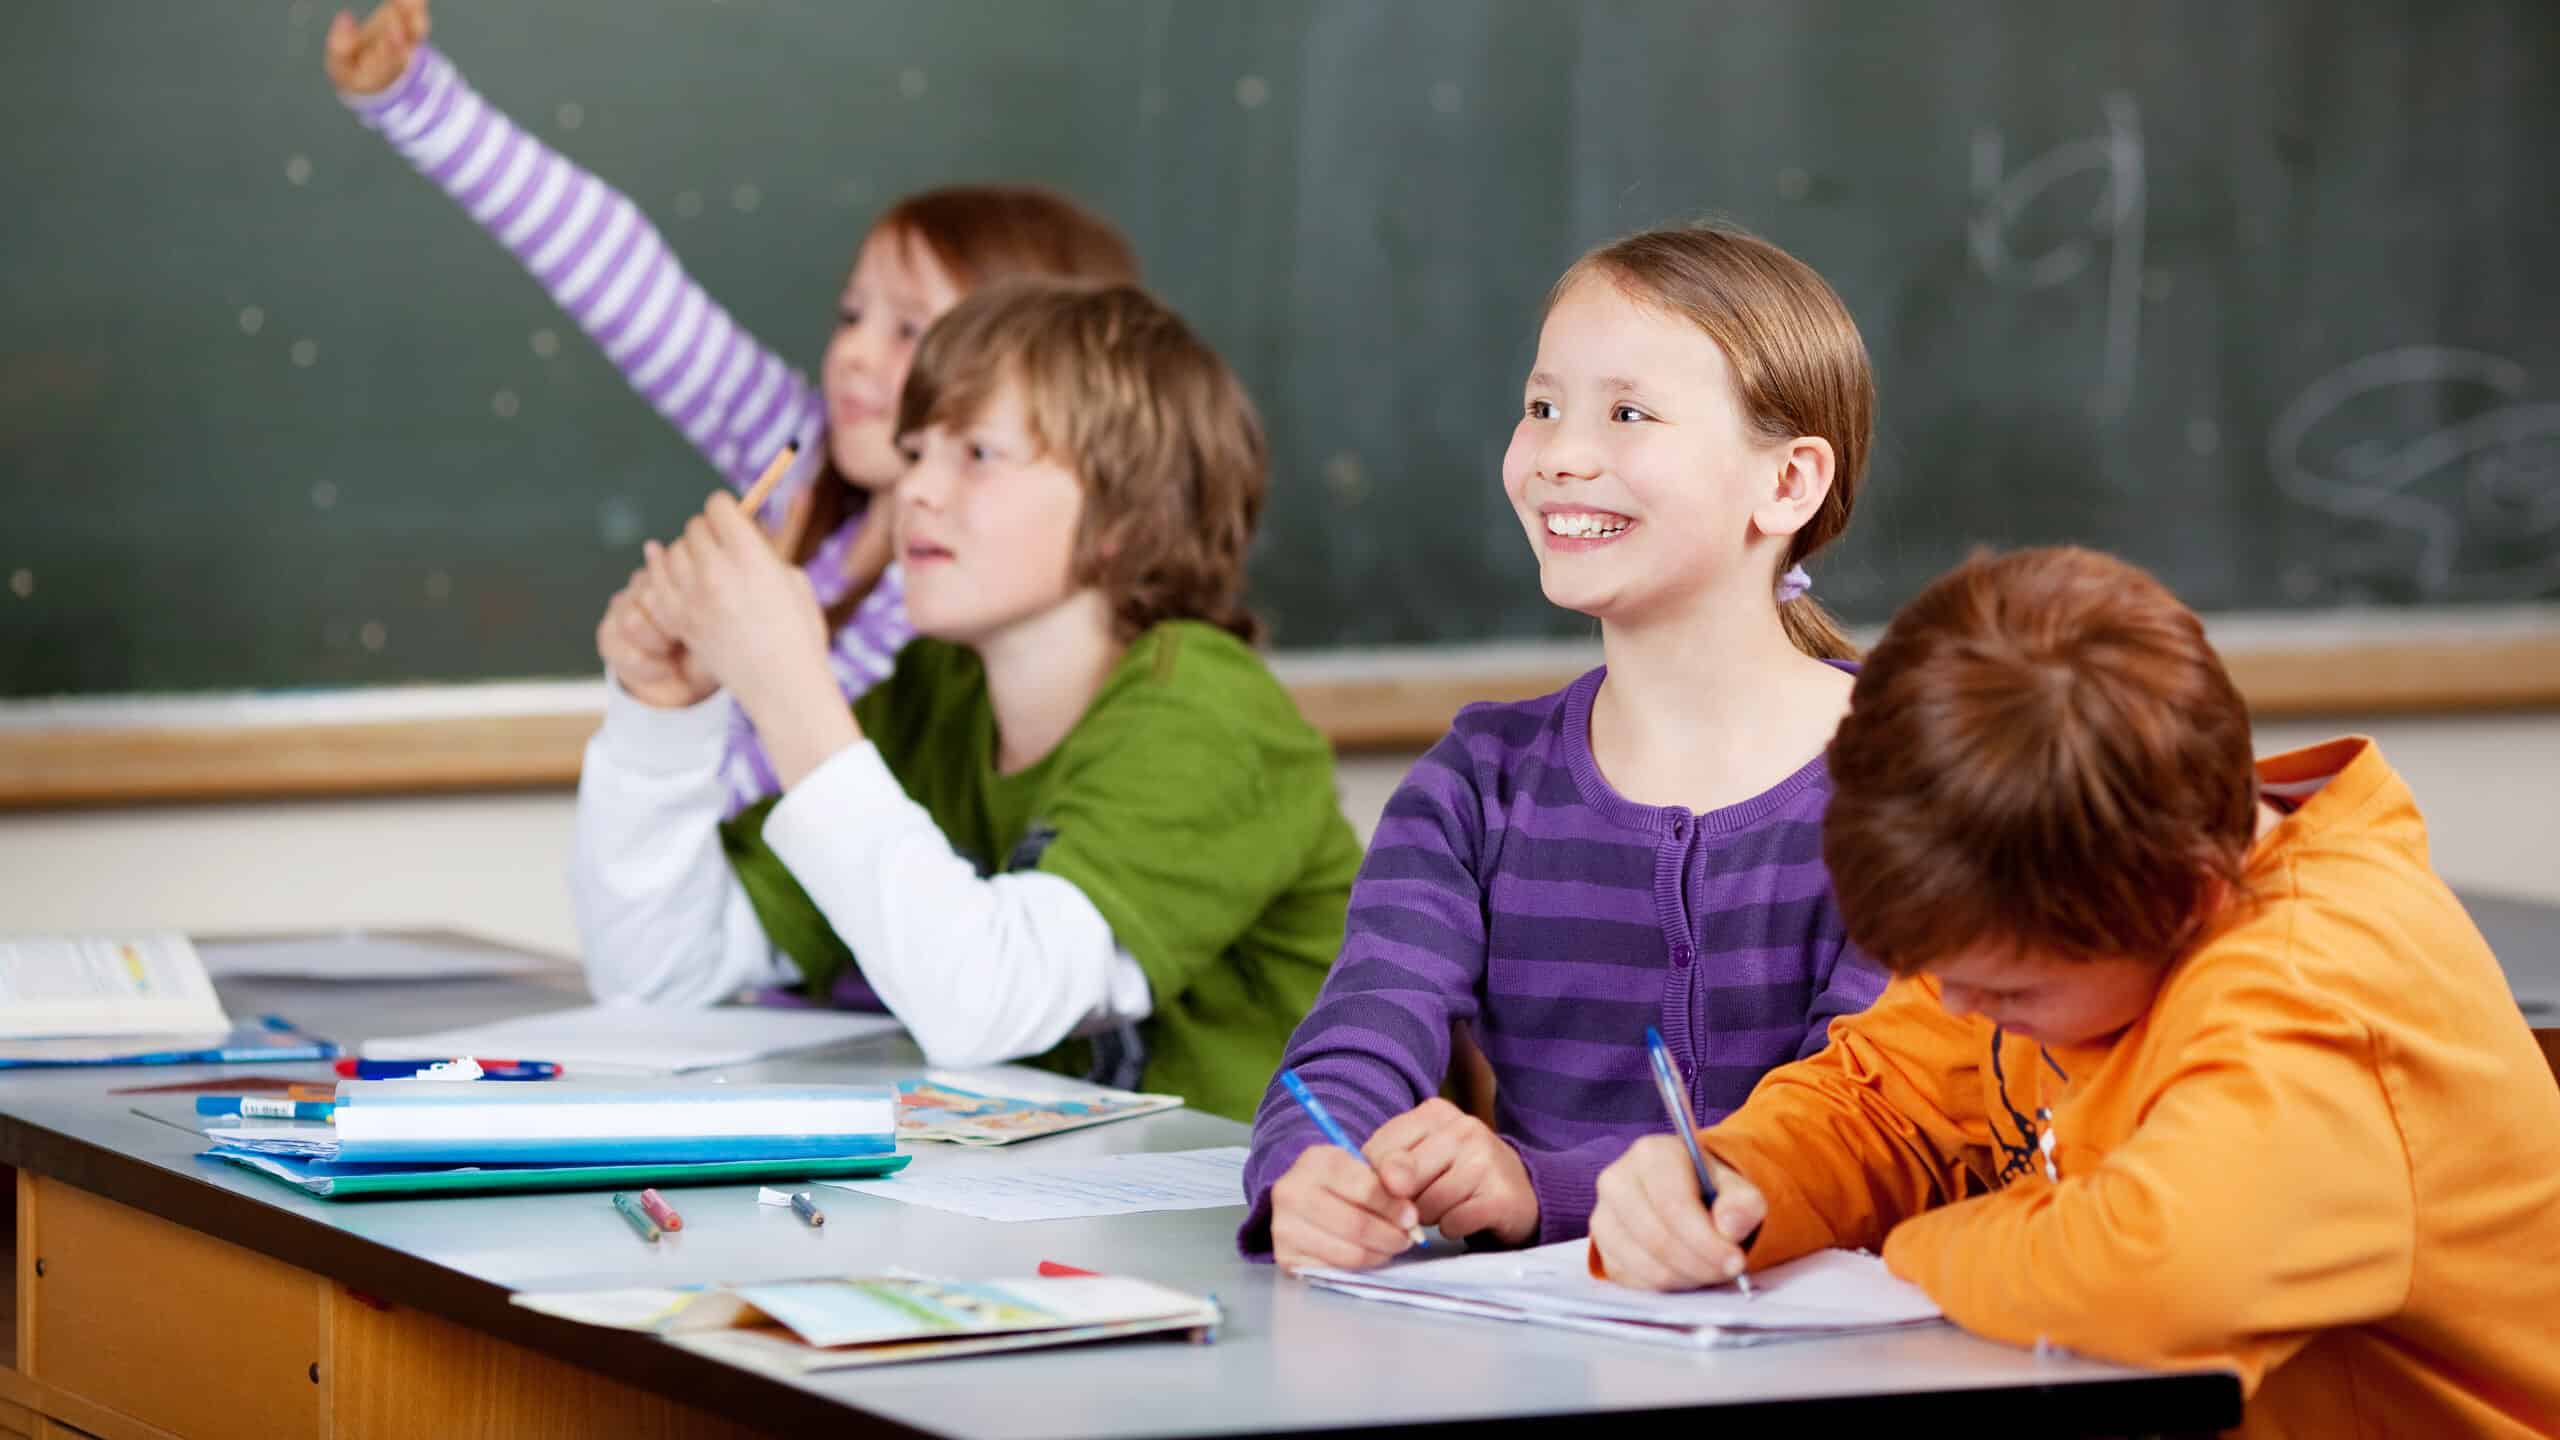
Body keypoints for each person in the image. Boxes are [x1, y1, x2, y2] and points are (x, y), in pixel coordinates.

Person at [1589, 545, 2560, 1439]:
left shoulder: (2312, 986)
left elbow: (2164, 1271)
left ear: (2188, 898)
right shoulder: (2054, 891)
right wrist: (1733, 1179)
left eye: (2006, 991)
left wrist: (1923, 1248)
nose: (1961, 1010)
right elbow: (1882, 1097)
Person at [1244, 223, 1888, 1267]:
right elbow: (1363, 1030)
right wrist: (1309, 1170)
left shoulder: (1913, 785)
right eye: (1541, 407)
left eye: (1626, 413)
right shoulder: (1477, 783)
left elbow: (1859, 1128)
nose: (1560, 455)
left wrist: (1535, 1186)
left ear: (1788, 484)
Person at [576, 280, 1362, 1122]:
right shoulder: (936, 691)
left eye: (978, 455)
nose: (915, 489)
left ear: (1125, 519)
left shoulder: (1210, 715)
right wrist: (662, 717)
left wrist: (786, 684)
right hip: (1050, 1216)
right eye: (915, 452)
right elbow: (664, 976)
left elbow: (982, 1001)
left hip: (1254, 1227)